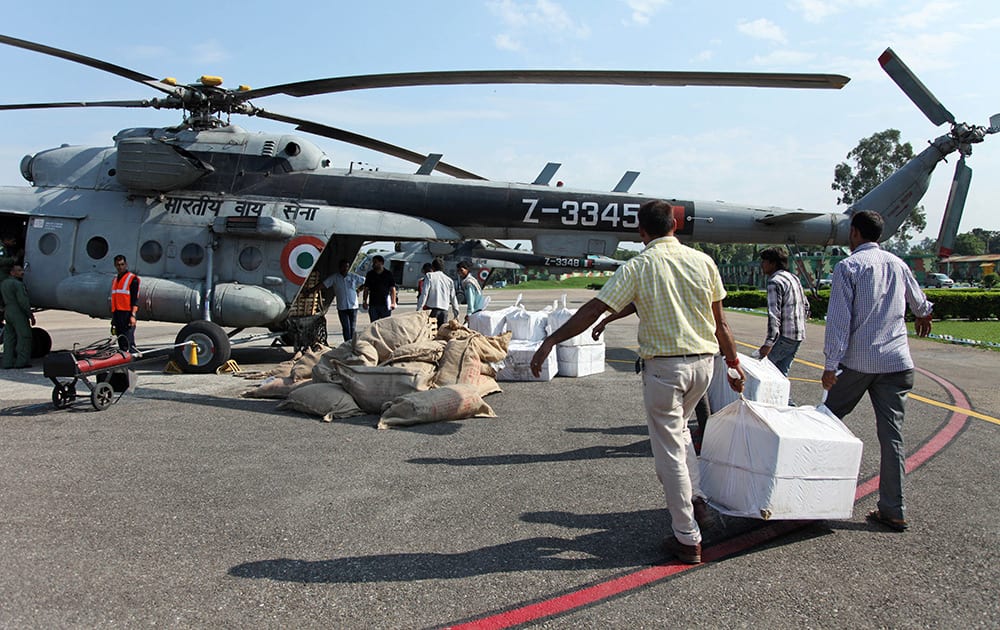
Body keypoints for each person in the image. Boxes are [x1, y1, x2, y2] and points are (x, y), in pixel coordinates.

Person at [530, 200, 745, 565]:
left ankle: (687, 536)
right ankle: (698, 502)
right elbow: (720, 322)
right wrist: (734, 363)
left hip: (665, 370)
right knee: (679, 438)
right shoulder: (703, 261)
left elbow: (595, 307)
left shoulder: (639, 265)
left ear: (641, 232)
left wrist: (552, 339)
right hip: (703, 367)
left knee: (670, 453)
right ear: (674, 226)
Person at [822, 210, 932, 533]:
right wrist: (924, 314)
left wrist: (831, 365)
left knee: (824, 418)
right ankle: (893, 509)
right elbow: (919, 302)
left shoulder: (849, 267)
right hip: (897, 364)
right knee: (892, 437)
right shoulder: (898, 264)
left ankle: (808, 492)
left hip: (859, 363)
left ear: (855, 233)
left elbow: (839, 323)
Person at [757, 248, 809, 405]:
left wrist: (768, 343)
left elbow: (774, 315)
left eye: (764, 261)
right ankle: (789, 410)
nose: (762, 265)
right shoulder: (793, 278)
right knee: (780, 376)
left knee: (765, 375)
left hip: (783, 337)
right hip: (797, 334)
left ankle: (784, 408)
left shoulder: (775, 282)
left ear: (772, 263)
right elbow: (806, 305)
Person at [321, 259, 366, 342]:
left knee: (352, 327)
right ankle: (347, 343)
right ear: (339, 267)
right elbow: (324, 284)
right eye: (343, 267)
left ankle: (352, 343)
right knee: (346, 327)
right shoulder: (335, 277)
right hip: (342, 307)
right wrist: (311, 290)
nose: (345, 269)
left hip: (353, 306)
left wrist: (359, 290)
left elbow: (366, 282)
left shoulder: (353, 276)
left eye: (347, 267)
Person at [2, 264, 35, 369]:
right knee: (24, 336)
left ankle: (7, 362)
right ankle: (21, 362)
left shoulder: (3, 283)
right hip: (18, 312)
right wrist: (30, 315)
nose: (22, 272)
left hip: (7, 311)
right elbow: (23, 301)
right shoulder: (18, 284)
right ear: (12, 272)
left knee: (9, 337)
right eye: (19, 270)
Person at [417, 257, 460, 328]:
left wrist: (419, 309)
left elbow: (424, 294)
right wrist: (456, 314)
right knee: (442, 333)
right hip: (444, 311)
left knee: (431, 333)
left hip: (432, 310)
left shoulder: (429, 276)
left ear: (433, 267)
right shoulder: (449, 280)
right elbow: (453, 298)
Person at [110, 254, 140, 352]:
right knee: (121, 339)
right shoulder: (115, 280)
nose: (120, 267)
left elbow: (135, 299)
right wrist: (113, 318)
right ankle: (124, 360)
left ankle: (132, 360)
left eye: (122, 264)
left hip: (127, 313)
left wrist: (133, 315)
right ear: (115, 265)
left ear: (126, 265)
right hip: (117, 313)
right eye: (118, 265)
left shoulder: (132, 279)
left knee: (129, 340)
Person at [361, 255, 397, 322]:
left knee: (385, 324)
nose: (373, 264)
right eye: (373, 262)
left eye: (375, 262)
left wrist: (393, 302)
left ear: (381, 263)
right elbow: (366, 289)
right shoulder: (370, 274)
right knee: (374, 324)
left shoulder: (388, 274)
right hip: (373, 304)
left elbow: (392, 289)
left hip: (385, 305)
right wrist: (364, 301)